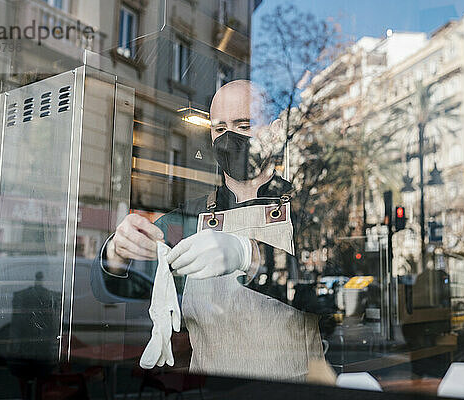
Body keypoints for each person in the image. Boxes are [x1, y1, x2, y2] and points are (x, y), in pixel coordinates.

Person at [91, 80, 325, 382]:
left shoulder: (307, 212)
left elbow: (328, 292)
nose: (229, 139)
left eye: (244, 126)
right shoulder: (189, 219)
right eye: (219, 128)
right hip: (210, 389)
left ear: (276, 130)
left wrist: (250, 255)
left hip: (295, 390)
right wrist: (116, 252)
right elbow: (113, 288)